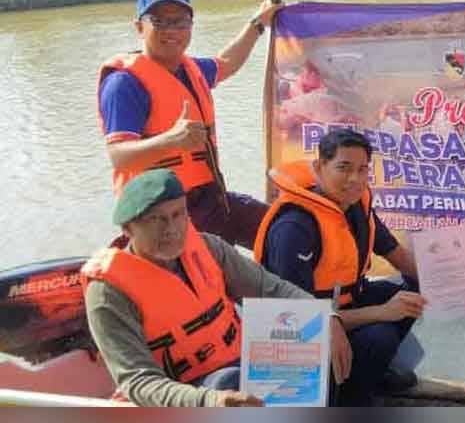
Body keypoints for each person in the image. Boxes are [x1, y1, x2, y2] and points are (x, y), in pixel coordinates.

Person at [82, 169, 353, 407]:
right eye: (156, 220)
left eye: (179, 214)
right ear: (128, 229)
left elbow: (271, 288)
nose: (172, 229)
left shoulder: (209, 248)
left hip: (238, 372)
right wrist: (211, 401)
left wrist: (327, 316)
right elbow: (140, 383)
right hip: (183, 399)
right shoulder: (107, 292)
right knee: (230, 382)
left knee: (318, 365)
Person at [98, 0, 280, 248]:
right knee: (210, 277)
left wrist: (258, 23)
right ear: (139, 27)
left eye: (180, 22)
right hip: (161, 214)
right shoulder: (124, 84)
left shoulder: (190, 69)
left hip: (209, 201)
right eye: (159, 22)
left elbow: (226, 64)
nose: (171, 31)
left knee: (281, 228)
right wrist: (170, 140)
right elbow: (118, 156)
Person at [254, 128, 427, 406]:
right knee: (380, 337)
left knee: (418, 288)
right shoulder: (294, 226)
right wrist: (382, 312)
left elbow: (393, 251)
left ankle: (369, 372)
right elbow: (295, 316)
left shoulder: (355, 204)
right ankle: (351, 397)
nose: (354, 179)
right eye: (343, 168)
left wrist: (446, 279)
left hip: (345, 303)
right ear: (319, 167)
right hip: (295, 327)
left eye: (362, 169)